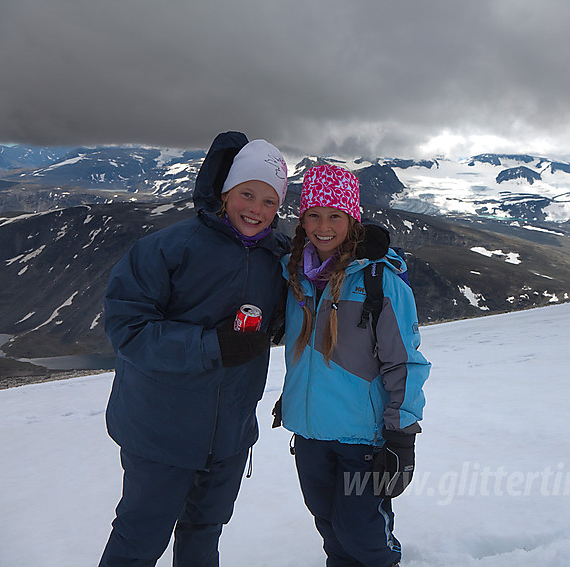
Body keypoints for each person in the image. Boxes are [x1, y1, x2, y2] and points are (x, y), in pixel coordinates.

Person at [99, 131, 290, 566]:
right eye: (247, 194)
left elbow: (308, 295)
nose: (256, 210)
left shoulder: (275, 257)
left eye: (269, 202)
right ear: (226, 192)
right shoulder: (167, 248)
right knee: (139, 539)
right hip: (161, 432)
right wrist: (212, 346)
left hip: (229, 436)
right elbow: (128, 328)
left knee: (203, 536)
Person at [277, 164, 430, 567]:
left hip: (363, 437)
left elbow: (405, 361)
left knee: (363, 532)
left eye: (335, 216)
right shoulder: (294, 274)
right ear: (302, 219)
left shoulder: (379, 280)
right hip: (310, 433)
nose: (323, 226)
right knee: (328, 524)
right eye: (314, 215)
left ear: (352, 219)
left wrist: (402, 437)